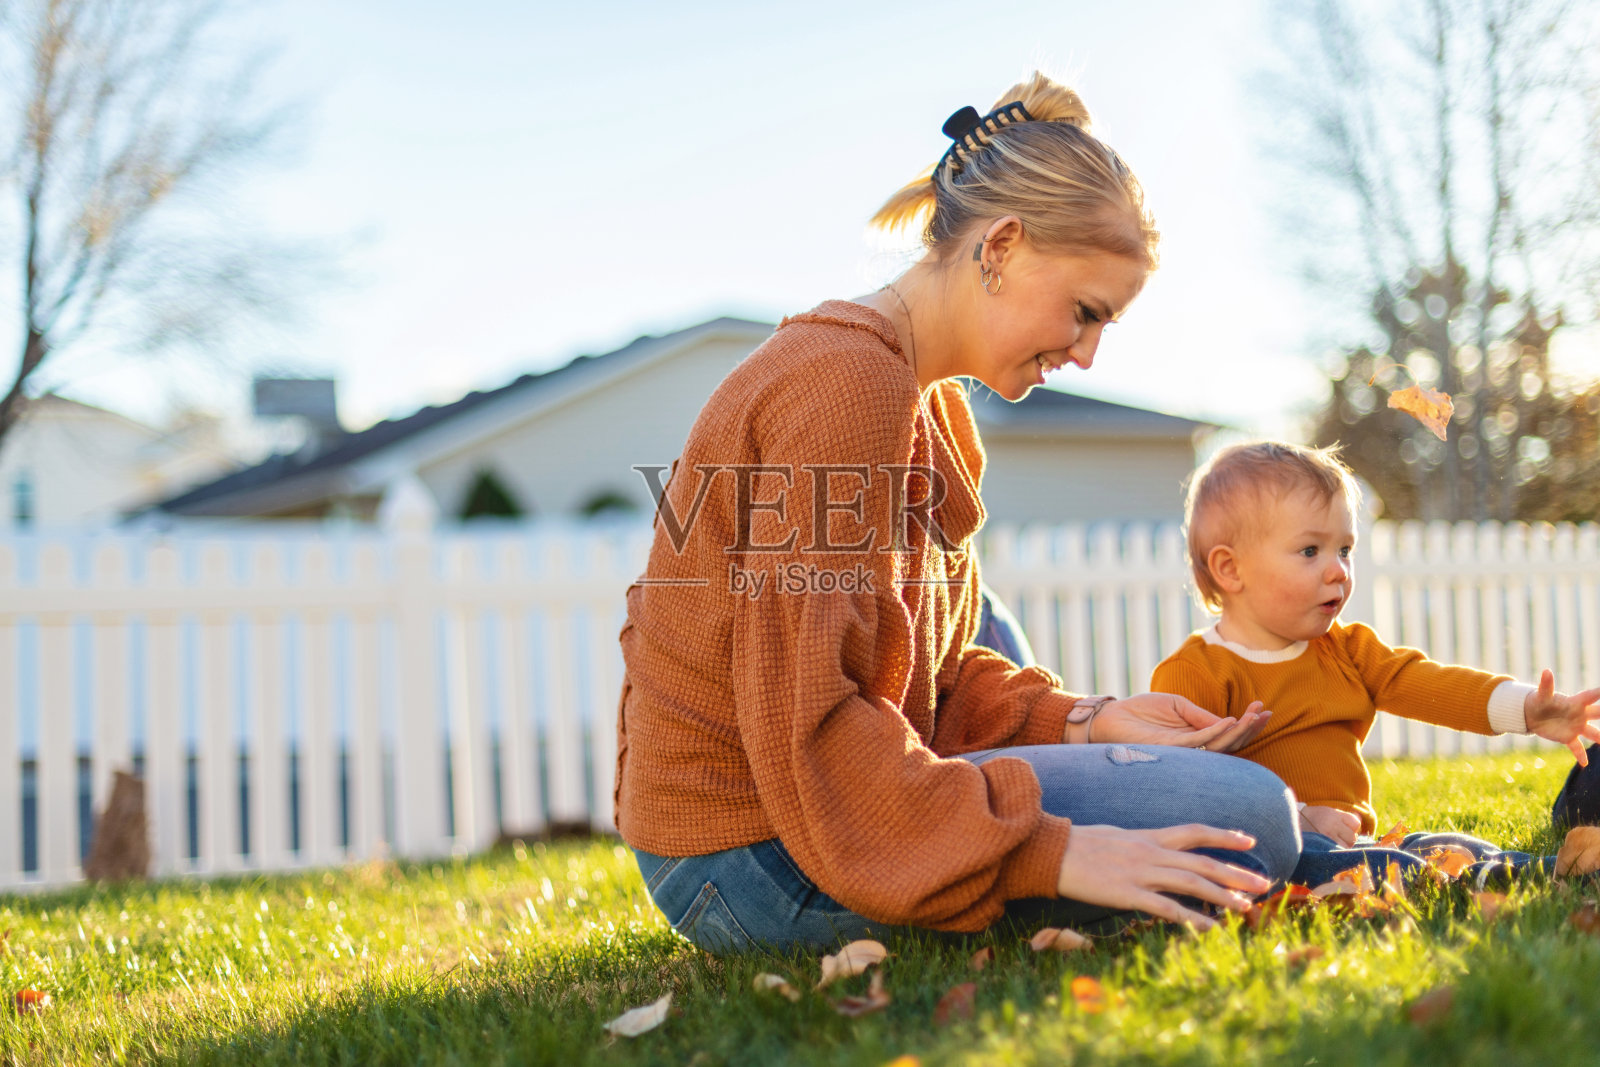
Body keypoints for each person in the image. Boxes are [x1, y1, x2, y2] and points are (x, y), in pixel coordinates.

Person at [613, 72, 1303, 956]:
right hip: (753, 857)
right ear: (1002, 246)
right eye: (1085, 312)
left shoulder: (927, 402)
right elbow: (807, 724)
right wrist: (1052, 853)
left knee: (998, 630)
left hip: (799, 813)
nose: (1088, 354)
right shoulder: (843, 387)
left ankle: (1347, 855)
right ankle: (1334, 858)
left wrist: (1086, 722)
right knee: (1248, 815)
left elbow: (924, 678)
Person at [1150, 441, 1600, 886]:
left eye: (1344, 550)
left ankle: (1522, 866)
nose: (1338, 571)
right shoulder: (1194, 673)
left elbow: (1427, 684)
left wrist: (1526, 708)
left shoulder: (1346, 648)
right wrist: (1299, 818)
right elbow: (1193, 790)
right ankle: (1503, 878)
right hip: (1274, 855)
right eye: (1311, 551)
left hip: (1359, 841)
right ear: (1230, 569)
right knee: (1383, 868)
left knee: (1445, 844)